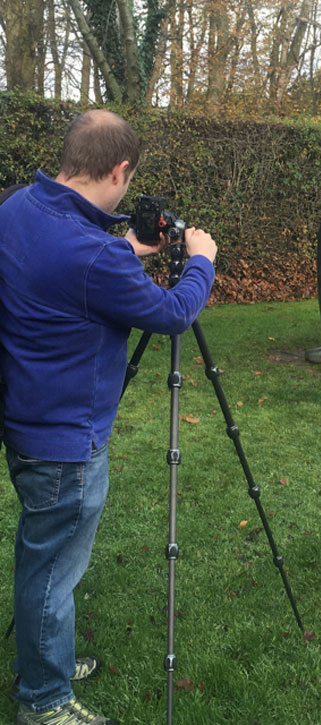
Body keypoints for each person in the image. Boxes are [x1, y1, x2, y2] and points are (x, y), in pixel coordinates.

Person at [0, 109, 217, 725]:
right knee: (51, 573)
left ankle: (49, 659)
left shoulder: (16, 210)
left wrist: (128, 249)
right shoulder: (95, 256)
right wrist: (199, 258)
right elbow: (173, 313)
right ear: (120, 169)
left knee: (42, 557)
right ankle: (43, 703)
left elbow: (63, 277)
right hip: (66, 440)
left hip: (24, 418)